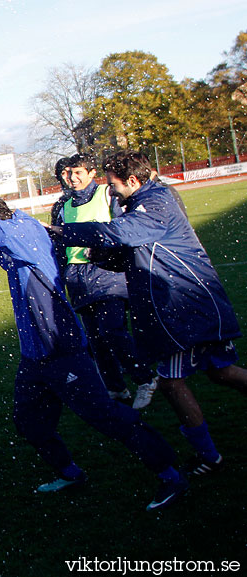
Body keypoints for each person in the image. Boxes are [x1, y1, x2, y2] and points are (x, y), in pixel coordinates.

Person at [0, 191, 187, 511]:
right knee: (29, 422)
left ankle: (170, 474)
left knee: (106, 416)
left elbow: (1, 231)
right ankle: (71, 473)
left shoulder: (23, 233)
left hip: (63, 350)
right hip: (36, 356)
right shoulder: (15, 221)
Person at [51, 150, 247, 475]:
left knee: (171, 383)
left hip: (183, 306)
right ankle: (208, 453)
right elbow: (130, 254)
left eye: (113, 185)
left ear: (132, 180)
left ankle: (208, 456)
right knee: (220, 371)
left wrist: (59, 232)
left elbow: (118, 234)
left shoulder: (156, 202)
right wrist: (100, 256)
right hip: (193, 303)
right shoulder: (143, 202)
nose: (110, 191)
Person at [54, 153, 155, 405]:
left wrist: (105, 252)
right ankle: (116, 389)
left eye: (78, 172)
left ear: (91, 174)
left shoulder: (107, 195)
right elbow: (58, 246)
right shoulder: (62, 206)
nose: (72, 177)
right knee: (96, 340)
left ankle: (145, 378)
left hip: (106, 272)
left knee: (112, 331)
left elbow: (123, 229)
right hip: (77, 279)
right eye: (68, 172)